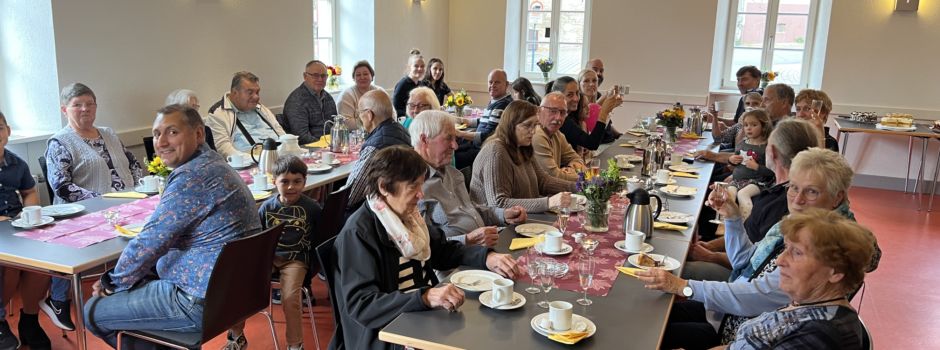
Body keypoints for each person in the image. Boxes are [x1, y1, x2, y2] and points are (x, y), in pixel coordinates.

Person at [639, 147, 881, 349]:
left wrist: (685, 286)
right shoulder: (797, 225)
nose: (797, 199)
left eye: (812, 192)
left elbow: (756, 297)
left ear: (837, 198)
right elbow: (746, 262)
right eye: (794, 187)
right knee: (646, 315)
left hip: (732, 321)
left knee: (649, 330)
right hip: (730, 320)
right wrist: (733, 218)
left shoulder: (825, 245)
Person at [83, 104, 261, 348]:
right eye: (157, 134)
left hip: (198, 302)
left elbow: (150, 242)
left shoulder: (192, 176)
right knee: (141, 278)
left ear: (199, 134)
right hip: (238, 296)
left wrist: (112, 282)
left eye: (172, 132)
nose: (162, 142)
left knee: (93, 310)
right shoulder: (215, 164)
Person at [328, 145, 520, 350]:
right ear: (384, 187)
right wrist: (425, 297)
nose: (421, 195)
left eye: (421, 186)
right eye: (413, 187)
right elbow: (362, 305)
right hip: (386, 334)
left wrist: (486, 257)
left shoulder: (406, 218)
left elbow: (442, 251)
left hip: (420, 315)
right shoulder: (359, 233)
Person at [45, 83, 144, 330]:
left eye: (90, 103)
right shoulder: (60, 142)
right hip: (83, 213)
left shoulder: (108, 133)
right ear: (64, 110)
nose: (85, 109)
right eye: (77, 104)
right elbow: (62, 187)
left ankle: (133, 289)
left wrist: (134, 190)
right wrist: (103, 201)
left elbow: (133, 164)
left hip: (124, 205)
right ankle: (57, 300)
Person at [720, 209, 875, 349]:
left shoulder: (819, 336)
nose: (780, 260)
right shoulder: (804, 303)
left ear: (835, 273)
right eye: (786, 248)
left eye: (797, 252)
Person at [688, 119, 819, 283]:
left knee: (681, 269)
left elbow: (756, 262)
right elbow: (749, 235)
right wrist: (709, 247)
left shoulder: (787, 202)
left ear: (772, 152)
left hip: (743, 277)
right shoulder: (772, 185)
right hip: (739, 260)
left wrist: (710, 256)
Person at [225, 156, 321, 350]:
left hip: (296, 260)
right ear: (274, 181)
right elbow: (259, 238)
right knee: (237, 288)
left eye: (297, 181)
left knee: (289, 297)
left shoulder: (312, 208)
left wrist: (313, 264)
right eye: (284, 181)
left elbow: (321, 236)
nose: (291, 187)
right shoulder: (267, 208)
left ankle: (295, 344)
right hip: (269, 257)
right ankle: (236, 337)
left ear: (305, 181)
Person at [410, 110, 527, 246]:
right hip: (455, 261)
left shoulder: (453, 174)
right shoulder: (411, 185)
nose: (455, 146)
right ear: (424, 140)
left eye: (455, 139)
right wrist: (468, 240)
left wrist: (503, 215)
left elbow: (471, 210)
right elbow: (422, 245)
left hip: (483, 245)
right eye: (448, 138)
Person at [0, 110, 51, 350]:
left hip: (14, 225)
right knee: (9, 267)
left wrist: (28, 212)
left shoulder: (16, 163)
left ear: (8, 132)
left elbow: (29, 191)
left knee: (42, 261)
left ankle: (29, 320)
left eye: (0, 128)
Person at [470, 100, 574, 213]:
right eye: (527, 125)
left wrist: (579, 187)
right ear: (511, 125)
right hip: (498, 226)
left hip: (525, 218)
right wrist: (549, 203)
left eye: (535, 125)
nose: (533, 131)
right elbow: (498, 203)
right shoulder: (495, 151)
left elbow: (543, 181)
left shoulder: (523, 146)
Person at [345, 90, 412, 213]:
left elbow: (351, 196)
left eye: (359, 113)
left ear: (369, 115)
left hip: (376, 213)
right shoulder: (403, 131)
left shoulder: (375, 147)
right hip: (399, 204)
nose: (359, 117)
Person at [207, 71, 285, 158]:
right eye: (250, 92)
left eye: (257, 92)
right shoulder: (217, 115)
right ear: (235, 93)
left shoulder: (260, 108)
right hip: (250, 164)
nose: (256, 97)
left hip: (280, 156)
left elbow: (280, 131)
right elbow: (224, 151)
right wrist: (257, 159)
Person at [453, 69, 513, 169]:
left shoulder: (502, 105)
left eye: (497, 82)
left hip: (484, 150)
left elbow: (487, 135)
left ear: (506, 84)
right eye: (490, 82)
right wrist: (462, 120)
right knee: (452, 149)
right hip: (477, 146)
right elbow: (482, 121)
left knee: (453, 157)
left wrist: (459, 133)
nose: (492, 85)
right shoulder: (496, 101)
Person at [547, 75, 622, 154]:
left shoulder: (572, 115)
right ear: (557, 96)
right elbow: (592, 144)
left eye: (577, 93)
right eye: (570, 95)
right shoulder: (559, 119)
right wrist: (604, 112)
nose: (576, 99)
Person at [723, 109, 775, 220]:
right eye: (746, 125)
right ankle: (728, 220)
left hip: (757, 182)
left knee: (743, 194)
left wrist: (757, 167)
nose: (749, 128)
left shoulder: (766, 147)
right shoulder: (742, 144)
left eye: (754, 125)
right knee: (729, 194)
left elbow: (772, 172)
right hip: (737, 181)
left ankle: (747, 222)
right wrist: (731, 160)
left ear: (764, 126)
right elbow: (734, 163)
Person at [532, 92, 586, 181]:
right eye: (553, 111)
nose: (558, 118)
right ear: (539, 111)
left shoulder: (557, 134)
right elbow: (553, 176)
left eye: (562, 112)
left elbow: (577, 159)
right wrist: (586, 177)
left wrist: (570, 169)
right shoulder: (537, 134)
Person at [283, 60, 339, 144]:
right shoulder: (296, 100)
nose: (320, 79)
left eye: (323, 76)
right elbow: (301, 137)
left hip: (331, 145)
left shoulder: (328, 97)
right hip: (310, 149)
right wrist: (327, 146)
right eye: (315, 75)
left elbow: (335, 124)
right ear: (305, 76)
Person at [391, 49, 427, 117]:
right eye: (416, 66)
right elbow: (396, 109)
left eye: (422, 66)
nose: (420, 69)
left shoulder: (421, 84)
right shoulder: (402, 85)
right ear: (409, 67)